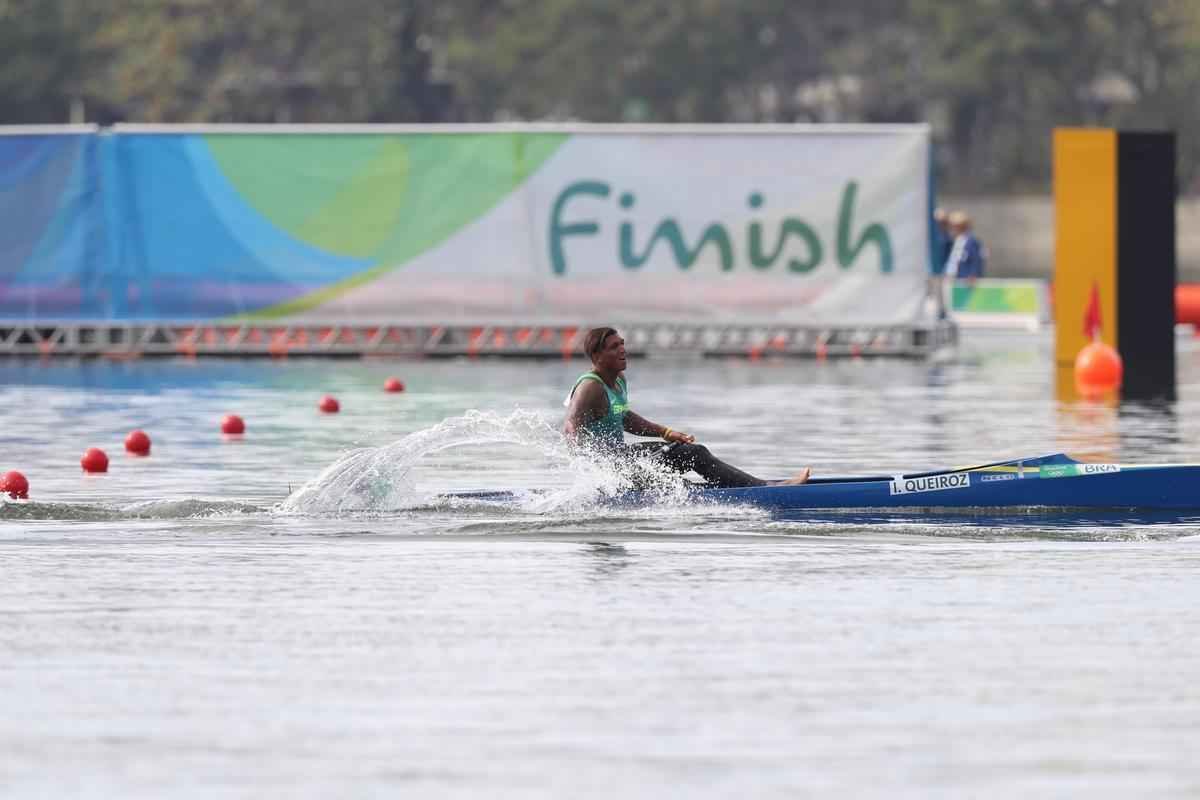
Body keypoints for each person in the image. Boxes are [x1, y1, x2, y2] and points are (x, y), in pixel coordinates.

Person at [562, 327, 811, 487]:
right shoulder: (589, 387)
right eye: (614, 347)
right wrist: (592, 469)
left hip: (624, 459)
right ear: (596, 356)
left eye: (622, 344)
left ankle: (748, 488)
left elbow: (624, 417)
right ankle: (764, 490)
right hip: (610, 466)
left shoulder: (617, 380)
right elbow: (570, 427)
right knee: (692, 461)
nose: (623, 350)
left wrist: (667, 432)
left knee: (687, 454)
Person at [945, 210, 987, 286]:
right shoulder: (955, 241)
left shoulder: (971, 241)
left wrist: (973, 274)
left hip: (965, 280)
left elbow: (976, 259)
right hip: (955, 279)